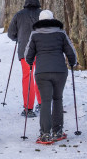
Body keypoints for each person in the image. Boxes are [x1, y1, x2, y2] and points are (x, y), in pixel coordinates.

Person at [25, 9, 77, 144]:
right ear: (53, 19)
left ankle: (45, 134)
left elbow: (28, 55)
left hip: (42, 72)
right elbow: (71, 51)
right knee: (58, 99)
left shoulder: (35, 34)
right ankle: (58, 131)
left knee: (45, 101)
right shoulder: (61, 33)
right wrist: (73, 62)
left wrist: (30, 62)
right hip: (60, 71)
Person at [7, 0, 42, 117]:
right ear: (38, 2)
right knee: (40, 76)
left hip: (25, 51)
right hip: (41, 50)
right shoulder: (42, 14)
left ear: (26, 2)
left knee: (28, 78)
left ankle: (28, 108)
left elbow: (11, 34)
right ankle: (42, 104)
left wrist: (19, 38)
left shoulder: (19, 15)